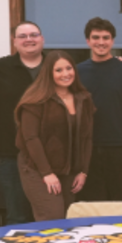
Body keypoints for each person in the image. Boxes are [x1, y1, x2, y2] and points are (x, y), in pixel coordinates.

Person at [15, 51, 95, 221]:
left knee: (68, 217)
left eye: (69, 68)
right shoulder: (35, 100)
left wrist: (83, 171)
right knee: (52, 217)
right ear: (48, 73)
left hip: (69, 171)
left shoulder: (83, 98)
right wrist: (47, 173)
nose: (65, 74)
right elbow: (31, 138)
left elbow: (87, 138)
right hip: (37, 168)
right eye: (58, 70)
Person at [0, 21, 46, 224]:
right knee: (17, 216)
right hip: (12, 155)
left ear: (42, 39)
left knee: (49, 216)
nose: (29, 39)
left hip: (51, 155)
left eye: (33, 35)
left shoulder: (55, 66)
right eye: (23, 36)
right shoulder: (0, 68)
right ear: (15, 42)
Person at [77, 17, 122, 202]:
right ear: (88, 41)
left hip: (121, 146)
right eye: (96, 37)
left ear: (112, 40)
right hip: (89, 147)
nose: (101, 42)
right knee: (94, 205)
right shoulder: (77, 71)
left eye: (106, 37)